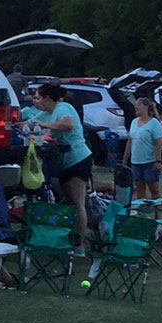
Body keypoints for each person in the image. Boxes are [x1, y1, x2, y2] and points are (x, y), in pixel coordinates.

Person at [29, 80, 94, 242]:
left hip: (78, 158)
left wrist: (45, 125)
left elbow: (68, 124)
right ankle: (68, 237)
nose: (36, 101)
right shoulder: (45, 113)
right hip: (64, 161)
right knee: (69, 201)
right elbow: (29, 123)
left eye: (39, 98)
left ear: (48, 98)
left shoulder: (63, 108)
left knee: (77, 202)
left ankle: (79, 242)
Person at [123, 95, 162, 201]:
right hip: (136, 162)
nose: (135, 107)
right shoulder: (133, 122)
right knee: (139, 190)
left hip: (149, 162)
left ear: (146, 106)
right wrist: (124, 160)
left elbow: (158, 143)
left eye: (138, 105)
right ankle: (143, 213)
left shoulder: (154, 123)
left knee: (154, 191)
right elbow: (130, 141)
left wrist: (158, 161)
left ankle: (158, 215)